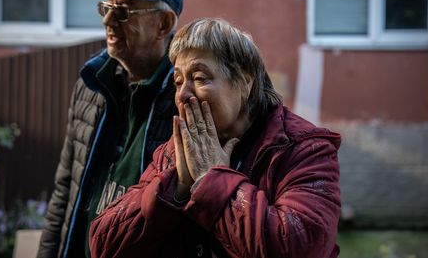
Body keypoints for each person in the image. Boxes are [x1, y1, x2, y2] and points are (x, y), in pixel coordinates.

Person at [89, 18, 342, 258]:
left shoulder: (304, 150)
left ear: (245, 82)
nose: (183, 95)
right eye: (178, 81)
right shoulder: (175, 152)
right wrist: (174, 186)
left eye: (199, 78)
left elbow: (296, 247)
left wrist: (211, 179)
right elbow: (103, 245)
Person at [37, 0, 183, 257]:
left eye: (124, 11)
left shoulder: (184, 99)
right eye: (107, 6)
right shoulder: (91, 84)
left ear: (163, 24)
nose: (108, 21)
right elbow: (66, 189)